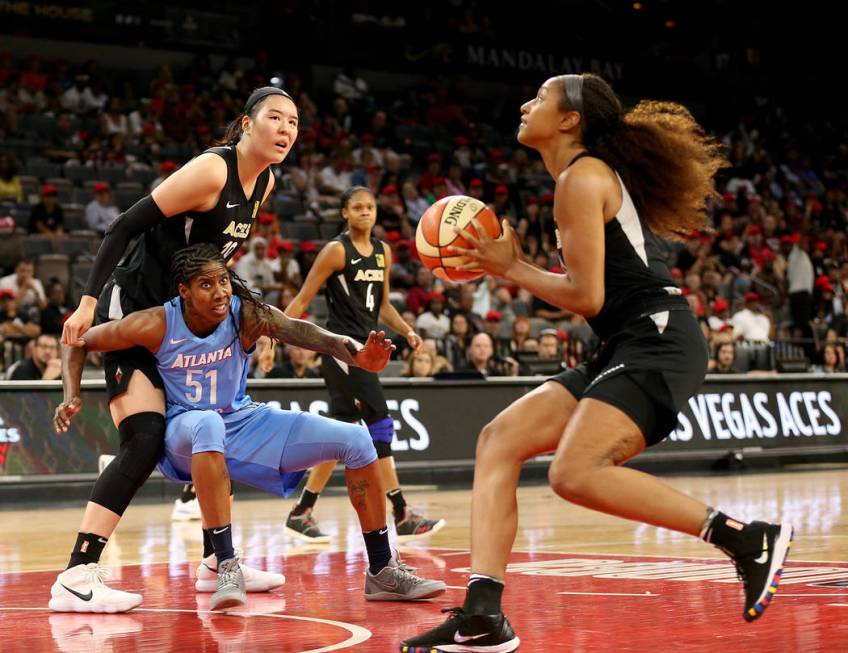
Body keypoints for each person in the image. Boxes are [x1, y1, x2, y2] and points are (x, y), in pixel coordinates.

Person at [400, 73, 793, 652]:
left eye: (540, 98)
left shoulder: (582, 177)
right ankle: (483, 614)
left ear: (569, 120)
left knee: (572, 473)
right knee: (498, 440)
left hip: (659, 340)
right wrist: (512, 266)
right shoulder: (576, 177)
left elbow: (586, 297)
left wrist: (508, 267)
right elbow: (589, 295)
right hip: (628, 342)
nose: (526, 103)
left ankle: (744, 539)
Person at [54, 244, 446, 611]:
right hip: (183, 431)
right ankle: (226, 565)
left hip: (241, 420)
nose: (220, 291)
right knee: (207, 423)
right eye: (206, 284)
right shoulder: (158, 322)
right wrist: (71, 393)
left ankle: (382, 570)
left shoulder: (245, 314)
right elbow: (77, 341)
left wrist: (357, 354)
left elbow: (303, 331)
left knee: (359, 440)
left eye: (223, 280)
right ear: (184, 291)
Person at [52, 86, 300, 613]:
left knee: (216, 425)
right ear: (246, 124)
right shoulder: (213, 170)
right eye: (275, 118)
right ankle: (77, 574)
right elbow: (125, 225)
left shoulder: (266, 182)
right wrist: (88, 302)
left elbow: (217, 261)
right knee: (145, 439)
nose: (285, 129)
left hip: (183, 320)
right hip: (136, 308)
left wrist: (253, 317)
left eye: (294, 123)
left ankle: (216, 562)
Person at [281, 186, 445, 543]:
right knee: (381, 425)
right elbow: (304, 297)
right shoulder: (336, 251)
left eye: (370, 207)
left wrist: (406, 329)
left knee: (342, 432)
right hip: (342, 350)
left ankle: (302, 510)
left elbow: (383, 305)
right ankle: (401, 512)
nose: (365, 213)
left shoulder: (383, 252)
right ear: (345, 213)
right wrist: (271, 336)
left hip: (367, 348)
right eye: (357, 207)